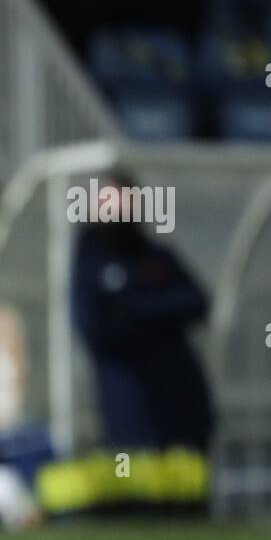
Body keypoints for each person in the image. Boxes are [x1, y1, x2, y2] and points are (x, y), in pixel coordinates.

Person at [71, 172, 214, 452]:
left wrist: (136, 308)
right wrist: (154, 316)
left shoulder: (155, 256)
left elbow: (196, 301)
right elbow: (95, 326)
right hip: (130, 415)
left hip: (183, 409)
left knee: (189, 486)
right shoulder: (91, 263)